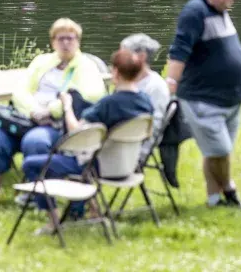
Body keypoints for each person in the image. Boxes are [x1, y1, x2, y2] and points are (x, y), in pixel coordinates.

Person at [20, 49, 153, 232]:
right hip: (129, 165)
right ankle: (93, 210)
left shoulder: (109, 104)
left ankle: (54, 222)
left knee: (32, 164)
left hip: (98, 166)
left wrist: (67, 106)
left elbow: (76, 130)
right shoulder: (146, 101)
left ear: (114, 72)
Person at [0, 18, 107, 203]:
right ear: (53, 41)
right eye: (60, 38)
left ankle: (37, 197)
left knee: (35, 141)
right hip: (25, 118)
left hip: (55, 123)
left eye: (70, 38)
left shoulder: (86, 66)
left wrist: (51, 110)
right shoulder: (42, 62)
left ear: (77, 41)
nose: (65, 43)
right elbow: (21, 90)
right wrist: (32, 110)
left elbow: (91, 94)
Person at [164, 0, 241, 208]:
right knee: (219, 151)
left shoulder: (220, 10)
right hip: (204, 99)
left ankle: (214, 200)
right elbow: (179, 51)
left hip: (229, 99)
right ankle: (229, 191)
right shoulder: (195, 12)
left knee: (216, 153)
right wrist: (170, 86)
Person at [119, 33, 170, 157]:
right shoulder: (128, 81)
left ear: (141, 57)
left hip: (135, 147)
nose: (119, 60)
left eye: (124, 55)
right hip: (120, 138)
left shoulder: (156, 86)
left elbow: (154, 127)